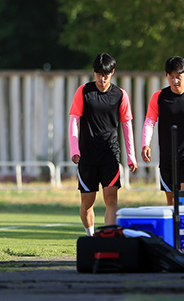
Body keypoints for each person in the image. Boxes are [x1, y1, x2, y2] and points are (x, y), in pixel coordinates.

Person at [68, 53, 137, 236]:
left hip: (110, 154)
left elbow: (127, 126)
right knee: (87, 203)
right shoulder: (83, 92)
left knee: (111, 199)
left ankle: (109, 238)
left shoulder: (121, 95)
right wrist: (74, 149)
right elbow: (74, 121)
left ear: (112, 72)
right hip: (87, 155)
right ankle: (91, 236)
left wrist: (131, 156)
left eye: (105, 74)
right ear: (94, 72)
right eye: (98, 73)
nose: (102, 78)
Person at [142, 56, 184, 205]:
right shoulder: (159, 97)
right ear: (166, 75)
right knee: (172, 205)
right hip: (167, 158)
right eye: (171, 77)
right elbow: (149, 121)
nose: (175, 81)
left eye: (178, 77)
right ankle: (174, 230)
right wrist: (145, 144)